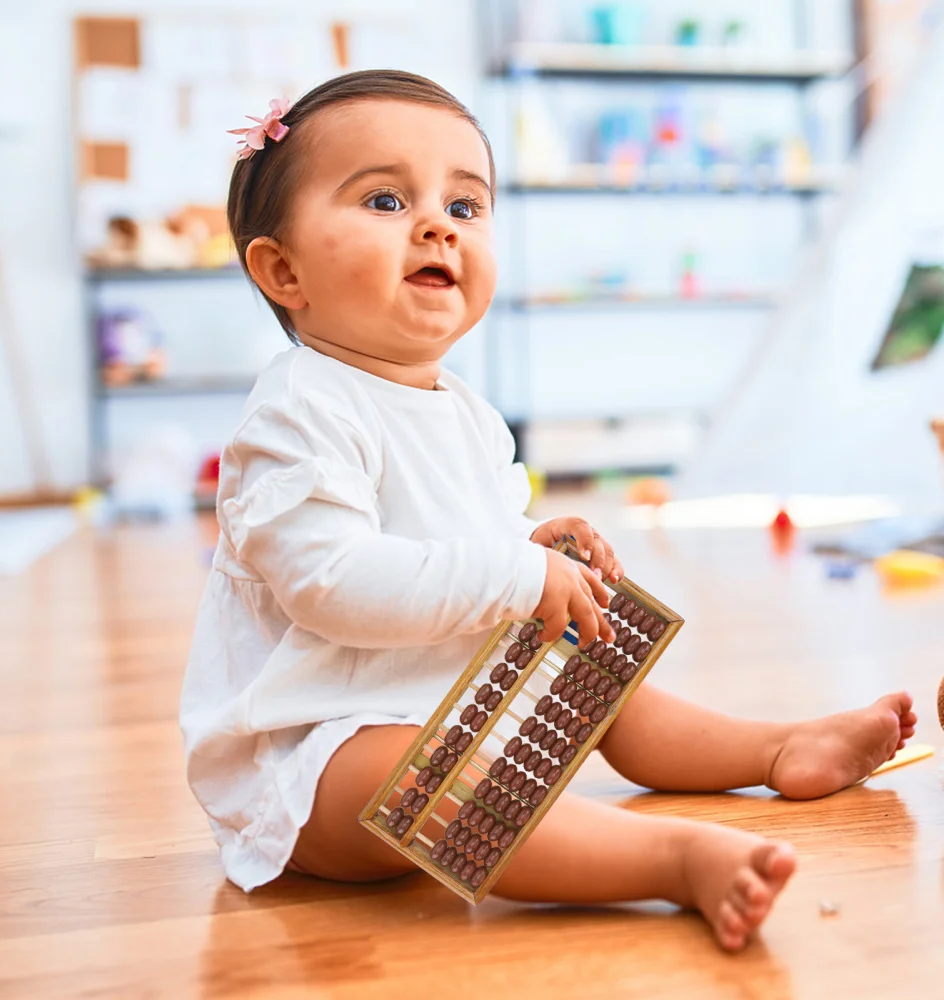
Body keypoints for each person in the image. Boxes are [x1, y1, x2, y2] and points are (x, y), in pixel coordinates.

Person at [180, 70, 917, 952]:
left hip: (440, 696)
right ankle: (668, 860)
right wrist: (513, 572)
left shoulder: (468, 414)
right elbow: (331, 585)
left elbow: (470, 555)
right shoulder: (297, 412)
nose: (435, 225)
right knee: (426, 778)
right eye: (384, 199)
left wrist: (535, 551)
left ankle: (771, 748)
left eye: (466, 204)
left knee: (593, 655)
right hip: (317, 761)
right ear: (283, 269)